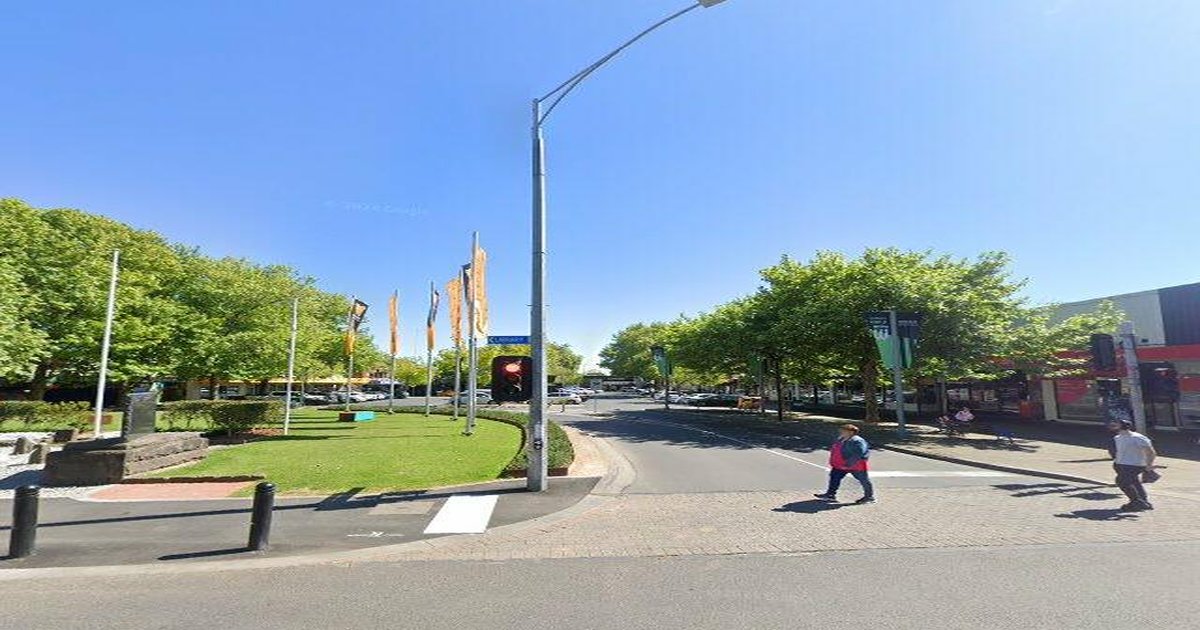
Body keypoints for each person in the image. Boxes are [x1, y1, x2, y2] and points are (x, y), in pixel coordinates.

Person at [814, 424, 875, 504]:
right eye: (841, 430)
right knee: (834, 477)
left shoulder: (857, 441)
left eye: (844, 430)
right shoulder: (842, 438)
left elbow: (859, 453)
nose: (841, 432)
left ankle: (869, 497)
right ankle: (830, 495)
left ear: (851, 432)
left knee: (863, 480)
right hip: (840, 465)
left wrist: (849, 463)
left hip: (855, 465)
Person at [1109, 420, 1156, 511]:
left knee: (1121, 481)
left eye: (1117, 424)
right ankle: (1143, 501)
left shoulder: (1137, 437)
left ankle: (1136, 502)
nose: (1113, 425)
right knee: (1134, 482)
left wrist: (1149, 465)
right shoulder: (1118, 438)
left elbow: (1151, 452)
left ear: (1123, 426)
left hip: (1134, 464)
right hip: (1120, 464)